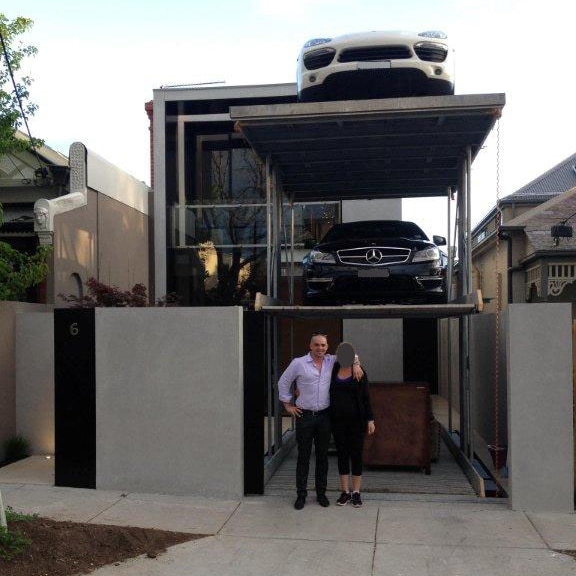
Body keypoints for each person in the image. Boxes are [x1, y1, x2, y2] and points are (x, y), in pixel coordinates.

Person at [278, 332, 363, 510]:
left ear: (327, 347)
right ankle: (301, 495)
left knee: (322, 457)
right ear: (310, 346)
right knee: (303, 457)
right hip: (305, 416)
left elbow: (351, 353)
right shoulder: (298, 363)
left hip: (325, 416)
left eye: (323, 345)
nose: (320, 348)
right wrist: (288, 405)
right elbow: (283, 382)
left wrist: (355, 363)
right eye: (317, 345)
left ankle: (321, 494)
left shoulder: (331, 361)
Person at [330, 342, 375, 508]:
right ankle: (345, 492)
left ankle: (356, 492)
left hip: (356, 422)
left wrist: (370, 419)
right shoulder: (333, 369)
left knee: (356, 455)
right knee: (342, 455)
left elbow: (366, 398)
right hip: (337, 422)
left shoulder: (360, 372)